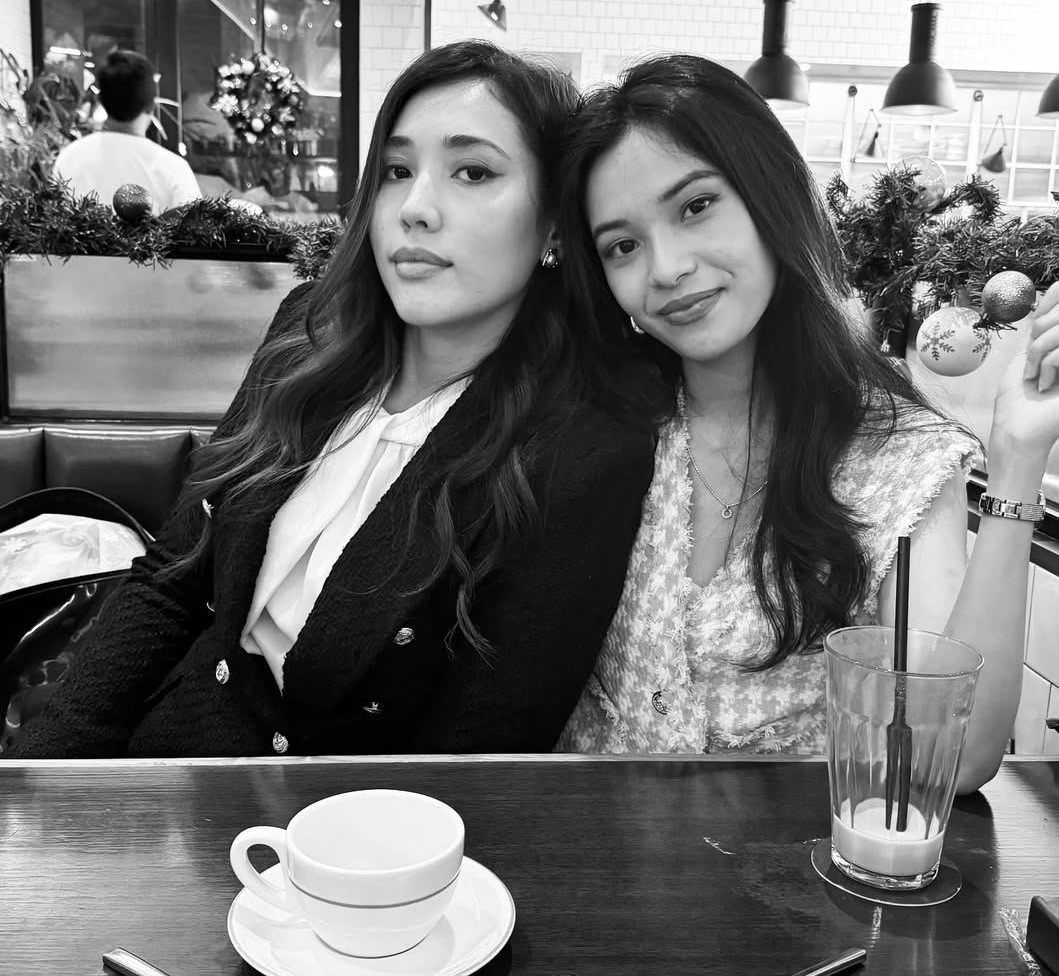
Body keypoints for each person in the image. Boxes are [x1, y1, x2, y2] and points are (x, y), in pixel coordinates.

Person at [7, 40, 658, 758]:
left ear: (555, 224)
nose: (414, 209)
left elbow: (481, 749)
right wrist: (48, 769)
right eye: (396, 171)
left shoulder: (582, 441)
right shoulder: (310, 332)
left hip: (363, 815)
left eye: (473, 172)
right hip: (173, 760)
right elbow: (175, 573)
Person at [555, 54, 1059, 792]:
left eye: (696, 206)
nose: (665, 268)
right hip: (584, 848)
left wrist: (1019, 458)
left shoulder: (896, 457)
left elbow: (956, 759)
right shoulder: (600, 430)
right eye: (622, 245)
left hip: (788, 859)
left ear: (771, 198)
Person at [51, 49, 201, 214]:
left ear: (100, 101)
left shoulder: (70, 158)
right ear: (151, 105)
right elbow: (198, 226)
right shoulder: (173, 169)